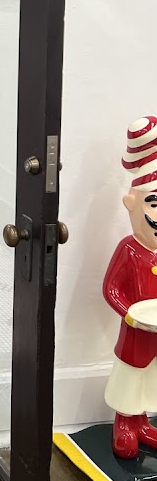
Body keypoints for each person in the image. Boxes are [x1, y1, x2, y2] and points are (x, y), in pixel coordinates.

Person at [102, 115, 157, 458]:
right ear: (133, 205)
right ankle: (124, 422)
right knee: (130, 378)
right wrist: (130, 314)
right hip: (136, 334)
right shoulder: (129, 249)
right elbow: (111, 289)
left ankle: (142, 422)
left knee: (150, 380)